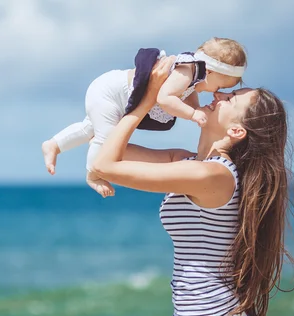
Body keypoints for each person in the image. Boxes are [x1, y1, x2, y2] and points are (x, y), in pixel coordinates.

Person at [91, 56, 294, 316]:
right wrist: (143, 89)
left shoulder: (211, 176)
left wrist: (148, 102)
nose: (219, 95)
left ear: (236, 131)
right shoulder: (189, 162)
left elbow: (105, 163)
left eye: (230, 99)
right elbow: (106, 147)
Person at [41, 37, 247, 198]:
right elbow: (165, 98)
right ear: (210, 71)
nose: (216, 93)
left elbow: (187, 94)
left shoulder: (192, 75)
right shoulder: (186, 72)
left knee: (90, 129)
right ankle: (93, 174)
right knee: (105, 138)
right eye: (220, 87)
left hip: (111, 90)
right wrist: (193, 114)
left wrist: (195, 107)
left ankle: (55, 144)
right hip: (111, 93)